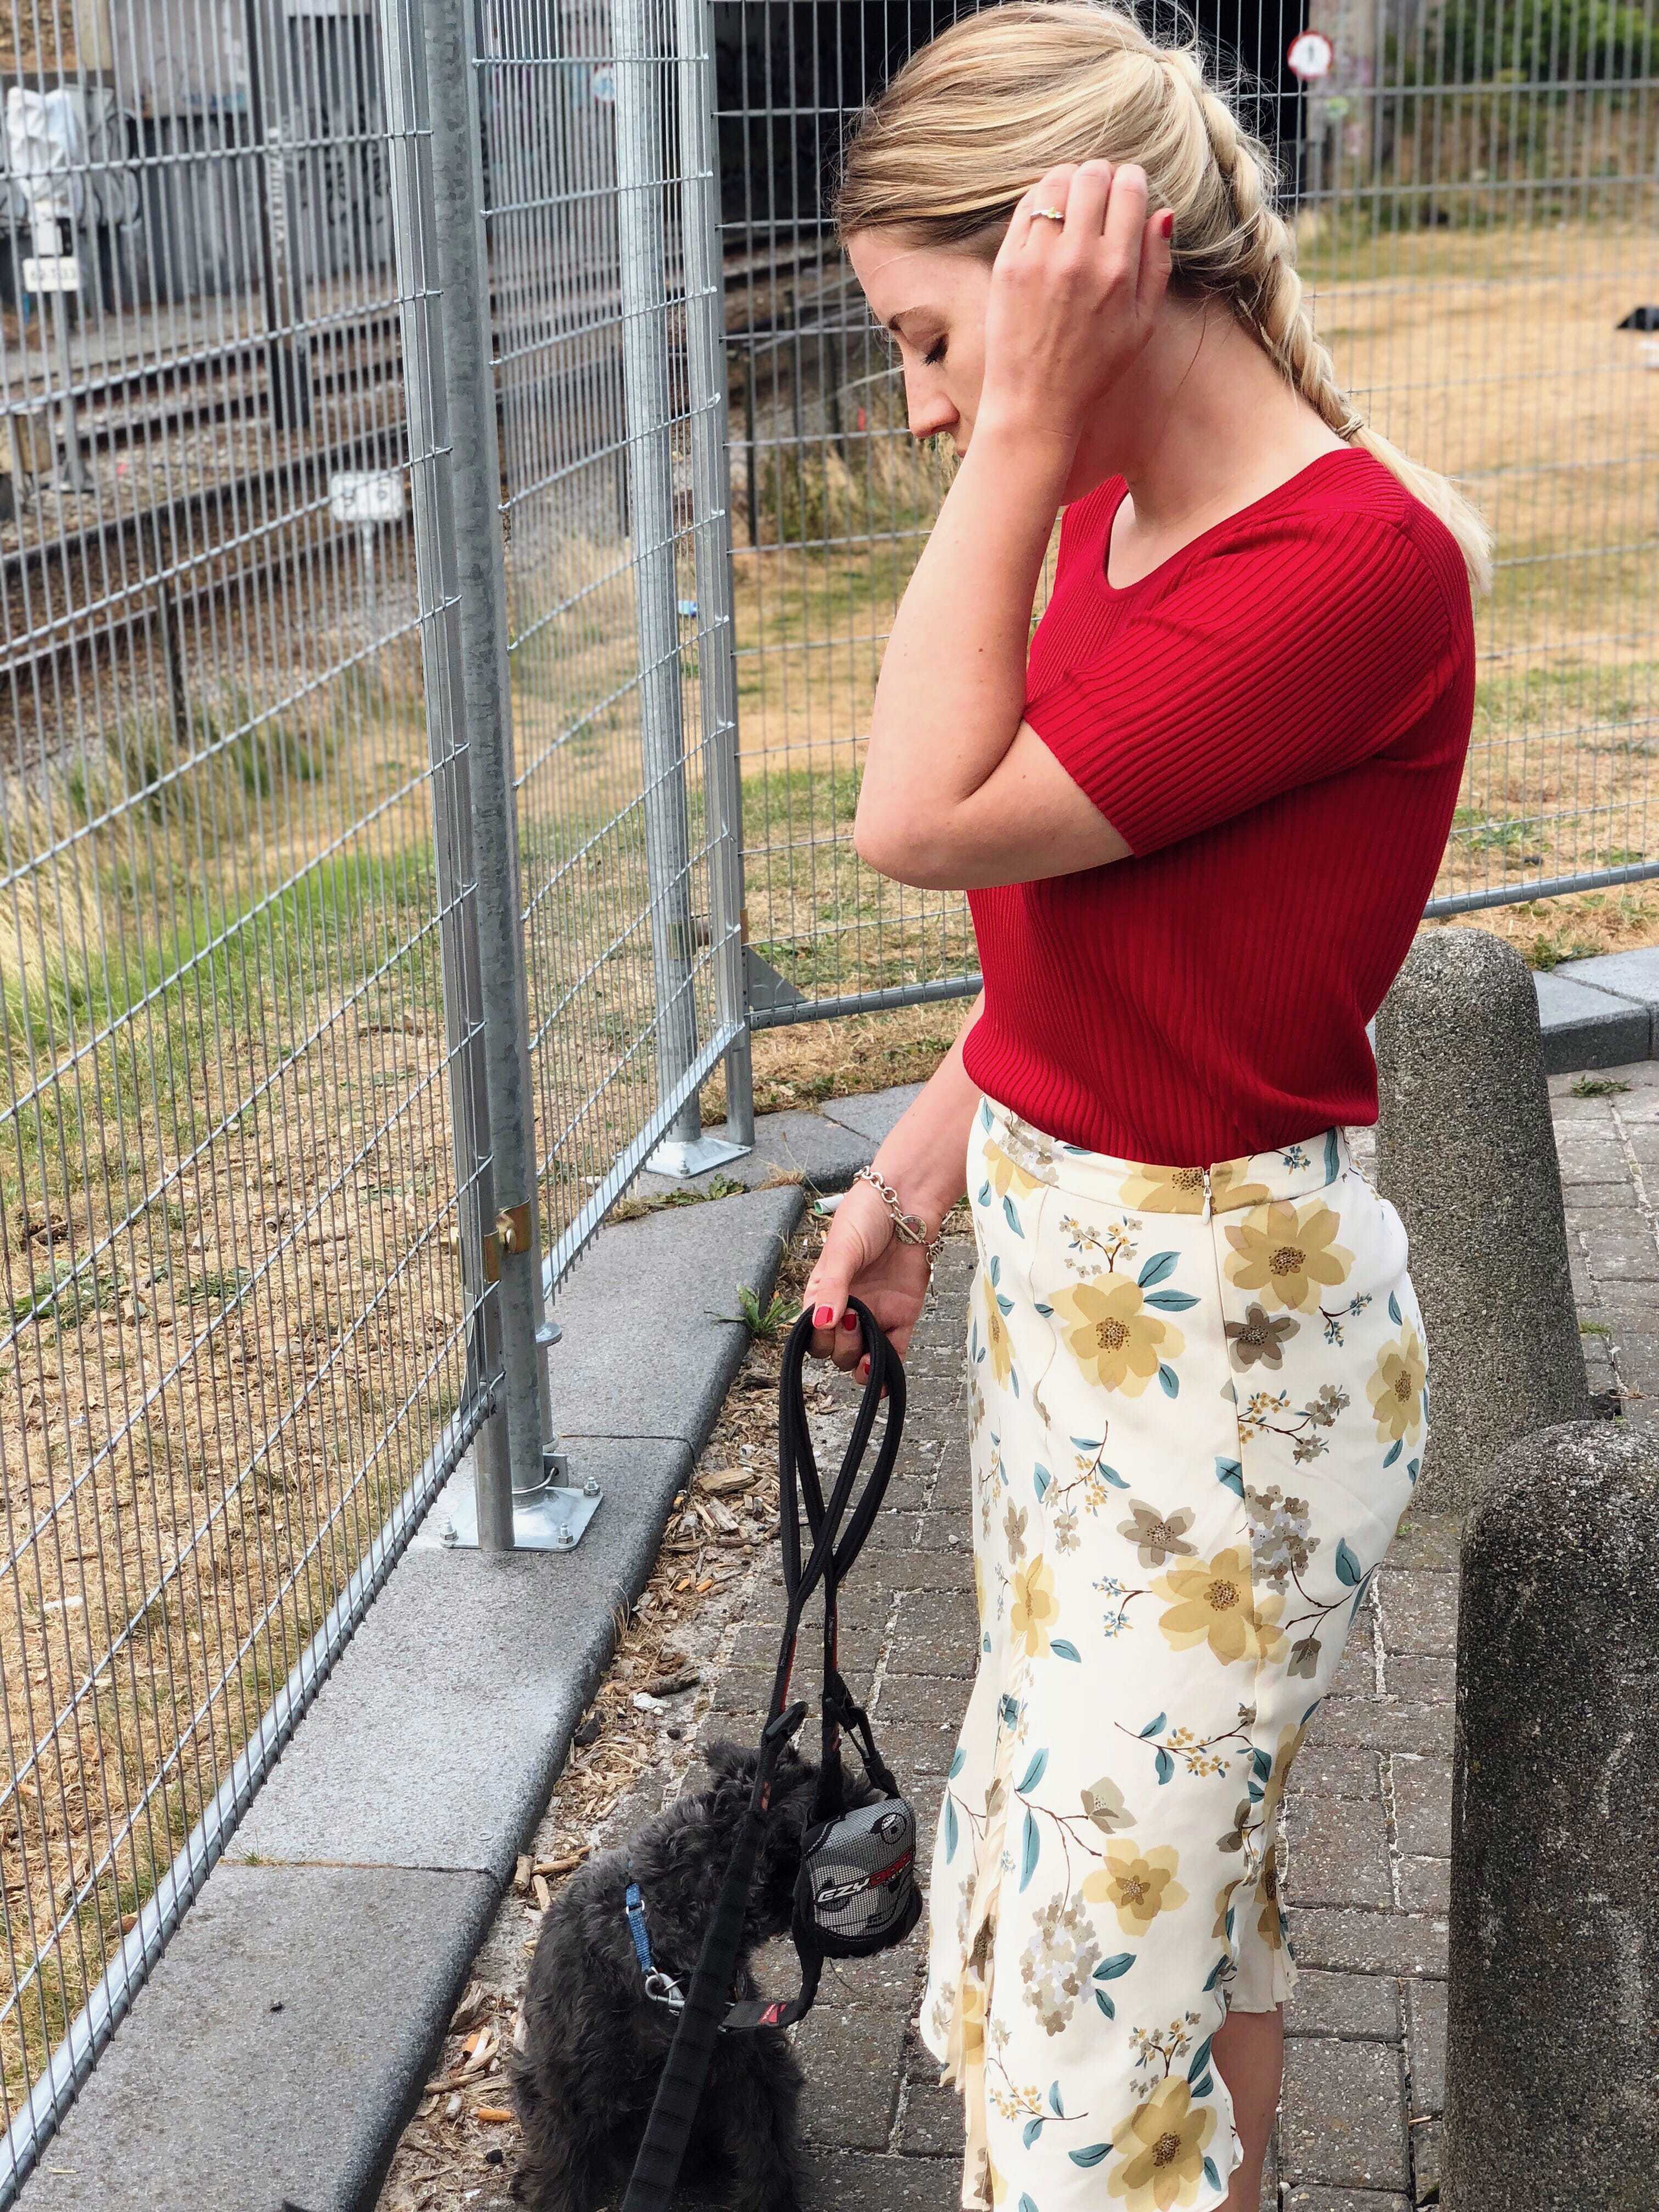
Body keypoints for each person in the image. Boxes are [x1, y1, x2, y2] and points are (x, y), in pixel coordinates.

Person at [796, 6, 1487, 2210]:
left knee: (1096, 2017)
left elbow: (920, 814)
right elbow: (1085, 933)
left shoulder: (1346, 571)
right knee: (1166, 1893)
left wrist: (1014, 435)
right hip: (1088, 1309)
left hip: (1226, 1357)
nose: (923, 408)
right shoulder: (1112, 509)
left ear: (1079, 262)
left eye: (932, 340)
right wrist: (921, 1164)